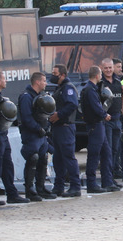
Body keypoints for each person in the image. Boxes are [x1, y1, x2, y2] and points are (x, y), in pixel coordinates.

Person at [0, 71, 32, 206]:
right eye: (4, 79)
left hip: (3, 136)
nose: (6, 82)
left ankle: (12, 194)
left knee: (7, 166)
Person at [18, 72, 57, 200]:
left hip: (41, 135)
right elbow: (26, 118)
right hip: (31, 134)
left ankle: (40, 188)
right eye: (44, 81)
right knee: (32, 158)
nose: (46, 83)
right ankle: (30, 190)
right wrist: (38, 129)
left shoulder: (40, 96)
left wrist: (45, 129)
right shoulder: (26, 97)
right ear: (37, 82)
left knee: (43, 158)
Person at [48, 64, 82, 197]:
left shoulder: (68, 88)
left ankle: (75, 186)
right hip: (57, 128)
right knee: (58, 159)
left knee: (68, 157)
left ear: (62, 75)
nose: (53, 75)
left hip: (65, 127)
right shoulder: (59, 88)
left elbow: (72, 104)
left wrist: (59, 115)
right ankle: (59, 186)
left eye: (55, 73)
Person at [81, 66, 115, 193]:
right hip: (95, 125)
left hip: (98, 125)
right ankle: (91, 184)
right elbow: (95, 107)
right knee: (94, 155)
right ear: (97, 75)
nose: (101, 77)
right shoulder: (90, 90)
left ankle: (107, 181)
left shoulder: (91, 88)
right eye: (100, 74)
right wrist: (104, 115)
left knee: (106, 152)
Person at [100, 58, 123, 185]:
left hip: (117, 119)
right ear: (102, 68)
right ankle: (108, 177)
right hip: (106, 120)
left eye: (110, 67)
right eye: (106, 68)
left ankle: (113, 174)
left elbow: (122, 99)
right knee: (107, 150)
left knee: (116, 149)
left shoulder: (118, 82)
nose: (108, 70)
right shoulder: (100, 83)